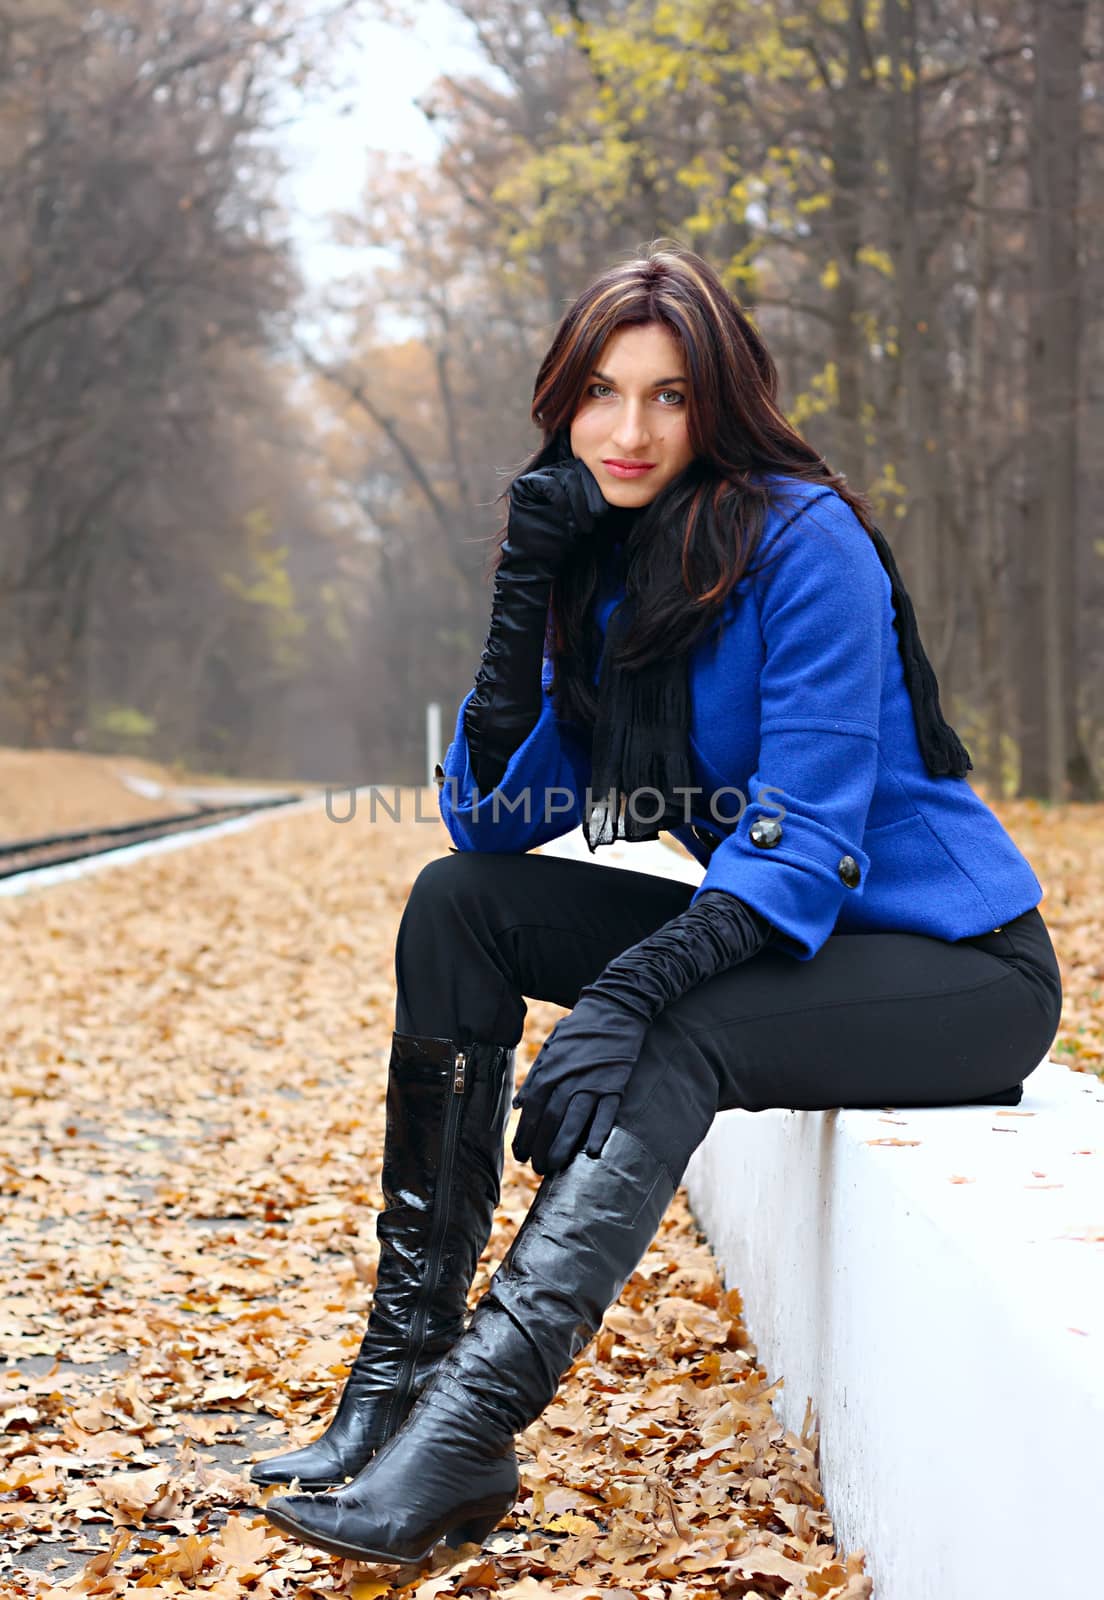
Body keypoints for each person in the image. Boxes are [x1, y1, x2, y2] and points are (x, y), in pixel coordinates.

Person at [257, 242, 1062, 1565]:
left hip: (954, 967)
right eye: (602, 394)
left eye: (669, 396)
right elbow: (491, 824)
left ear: (718, 403)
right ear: (563, 408)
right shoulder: (606, 565)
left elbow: (799, 848)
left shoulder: (809, 544)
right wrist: (522, 607)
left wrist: (629, 995)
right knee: (458, 905)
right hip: (781, 949)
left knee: (675, 1034)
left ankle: (468, 1431)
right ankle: (395, 1390)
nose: (630, 429)